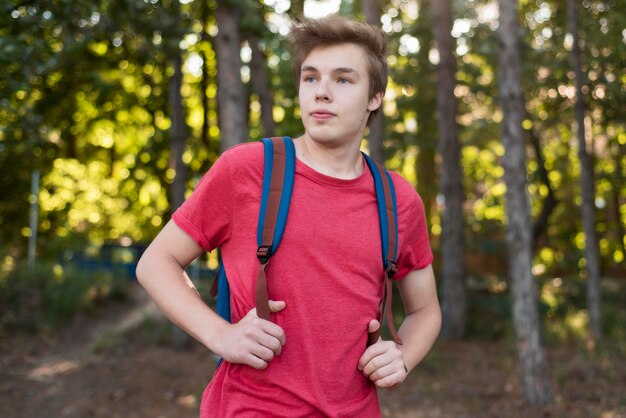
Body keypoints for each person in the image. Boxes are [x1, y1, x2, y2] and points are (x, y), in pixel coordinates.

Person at [136, 14, 441, 417]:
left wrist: (403, 357)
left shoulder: (398, 199)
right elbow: (156, 262)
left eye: (344, 80)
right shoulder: (247, 169)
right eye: (311, 78)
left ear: (375, 97)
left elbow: (425, 310)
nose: (322, 93)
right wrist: (220, 334)